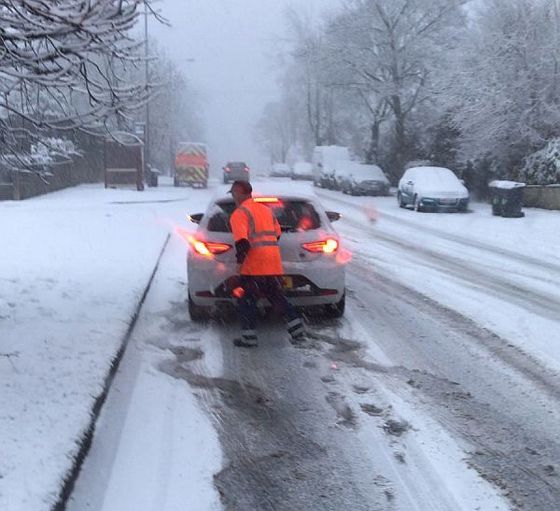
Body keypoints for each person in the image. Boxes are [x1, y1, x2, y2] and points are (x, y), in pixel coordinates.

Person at [228, 180, 306, 347]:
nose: (233, 197)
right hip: (272, 263)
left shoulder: (239, 214)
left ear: (239, 193)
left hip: (254, 266)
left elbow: (242, 243)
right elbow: (277, 234)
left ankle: (249, 338)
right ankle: (297, 330)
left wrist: (239, 266)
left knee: (246, 300)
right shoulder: (265, 210)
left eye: (233, 193)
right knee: (277, 298)